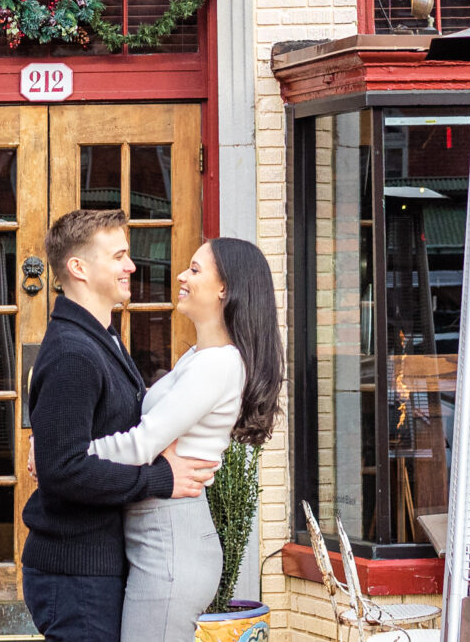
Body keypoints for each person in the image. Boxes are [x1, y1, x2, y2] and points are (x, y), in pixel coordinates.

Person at [22, 209, 218, 642]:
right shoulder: (73, 352)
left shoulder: (102, 337)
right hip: (75, 574)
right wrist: (159, 479)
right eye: (118, 256)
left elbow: (86, 441)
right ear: (78, 268)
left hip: (96, 565)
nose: (131, 266)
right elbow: (64, 470)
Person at [88, 237, 284, 642]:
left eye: (195, 270)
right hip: (162, 536)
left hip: (170, 541)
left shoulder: (218, 364)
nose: (181, 275)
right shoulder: (199, 357)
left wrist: (70, 454)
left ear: (224, 288)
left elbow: (142, 445)